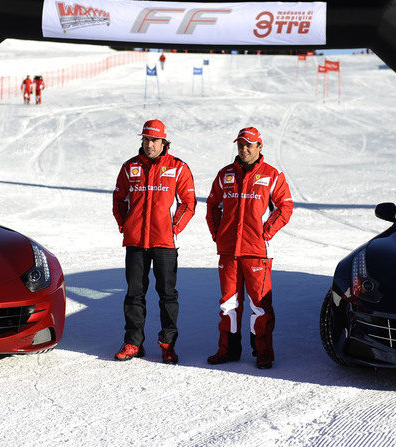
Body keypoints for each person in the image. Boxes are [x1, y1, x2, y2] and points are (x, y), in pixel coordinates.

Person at [205, 127, 294, 370]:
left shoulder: (272, 175)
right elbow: (212, 204)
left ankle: (263, 352)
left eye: (249, 145)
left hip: (257, 252)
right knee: (228, 303)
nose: (244, 149)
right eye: (241, 145)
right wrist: (218, 234)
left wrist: (266, 232)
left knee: (260, 305)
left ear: (259, 147)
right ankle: (228, 350)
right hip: (229, 251)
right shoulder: (225, 175)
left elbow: (285, 207)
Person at [112, 120, 196, 364]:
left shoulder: (178, 168)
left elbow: (188, 202)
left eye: (154, 140)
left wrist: (174, 228)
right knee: (134, 295)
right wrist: (125, 225)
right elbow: (119, 199)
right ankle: (133, 343)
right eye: (146, 140)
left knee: (168, 295)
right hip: (136, 243)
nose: (149, 144)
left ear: (163, 142)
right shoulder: (130, 167)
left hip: (164, 244)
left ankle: (167, 343)